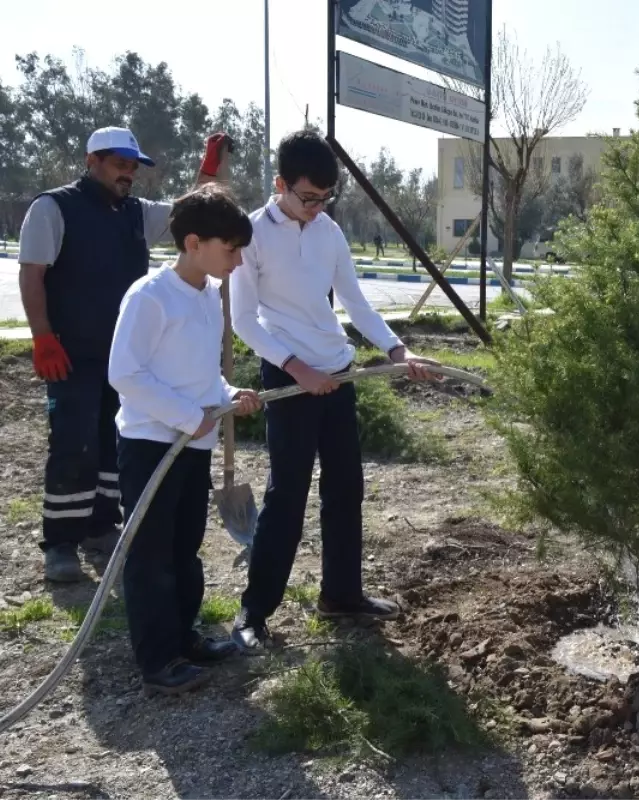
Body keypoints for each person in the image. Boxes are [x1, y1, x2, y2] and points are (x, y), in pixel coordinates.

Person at [228, 129, 441, 652]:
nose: (317, 207)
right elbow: (243, 320)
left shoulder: (328, 232)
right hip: (288, 376)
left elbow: (356, 304)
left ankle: (341, 593)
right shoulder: (251, 235)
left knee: (346, 489)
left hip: (337, 372)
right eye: (307, 197)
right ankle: (253, 613)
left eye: (326, 198)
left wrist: (398, 352)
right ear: (280, 184)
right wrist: (296, 369)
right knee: (287, 496)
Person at [17, 127, 231, 582]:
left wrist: (209, 169)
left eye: (133, 167)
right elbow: (32, 274)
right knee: (73, 444)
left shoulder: (137, 214)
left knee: (113, 446)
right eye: (119, 164)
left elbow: (190, 213)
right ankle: (60, 542)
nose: (128, 174)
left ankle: (101, 528)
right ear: (92, 160)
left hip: (128, 355)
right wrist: (42, 336)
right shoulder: (53, 208)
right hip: (71, 354)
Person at [108, 185, 262, 694]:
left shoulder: (205, 298)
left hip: (193, 444)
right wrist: (184, 415)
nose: (238, 261)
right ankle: (157, 660)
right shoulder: (150, 297)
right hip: (153, 444)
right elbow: (125, 373)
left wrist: (227, 392)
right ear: (193, 242)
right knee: (150, 553)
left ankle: (183, 636)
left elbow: (199, 375)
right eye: (230, 249)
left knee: (183, 548)